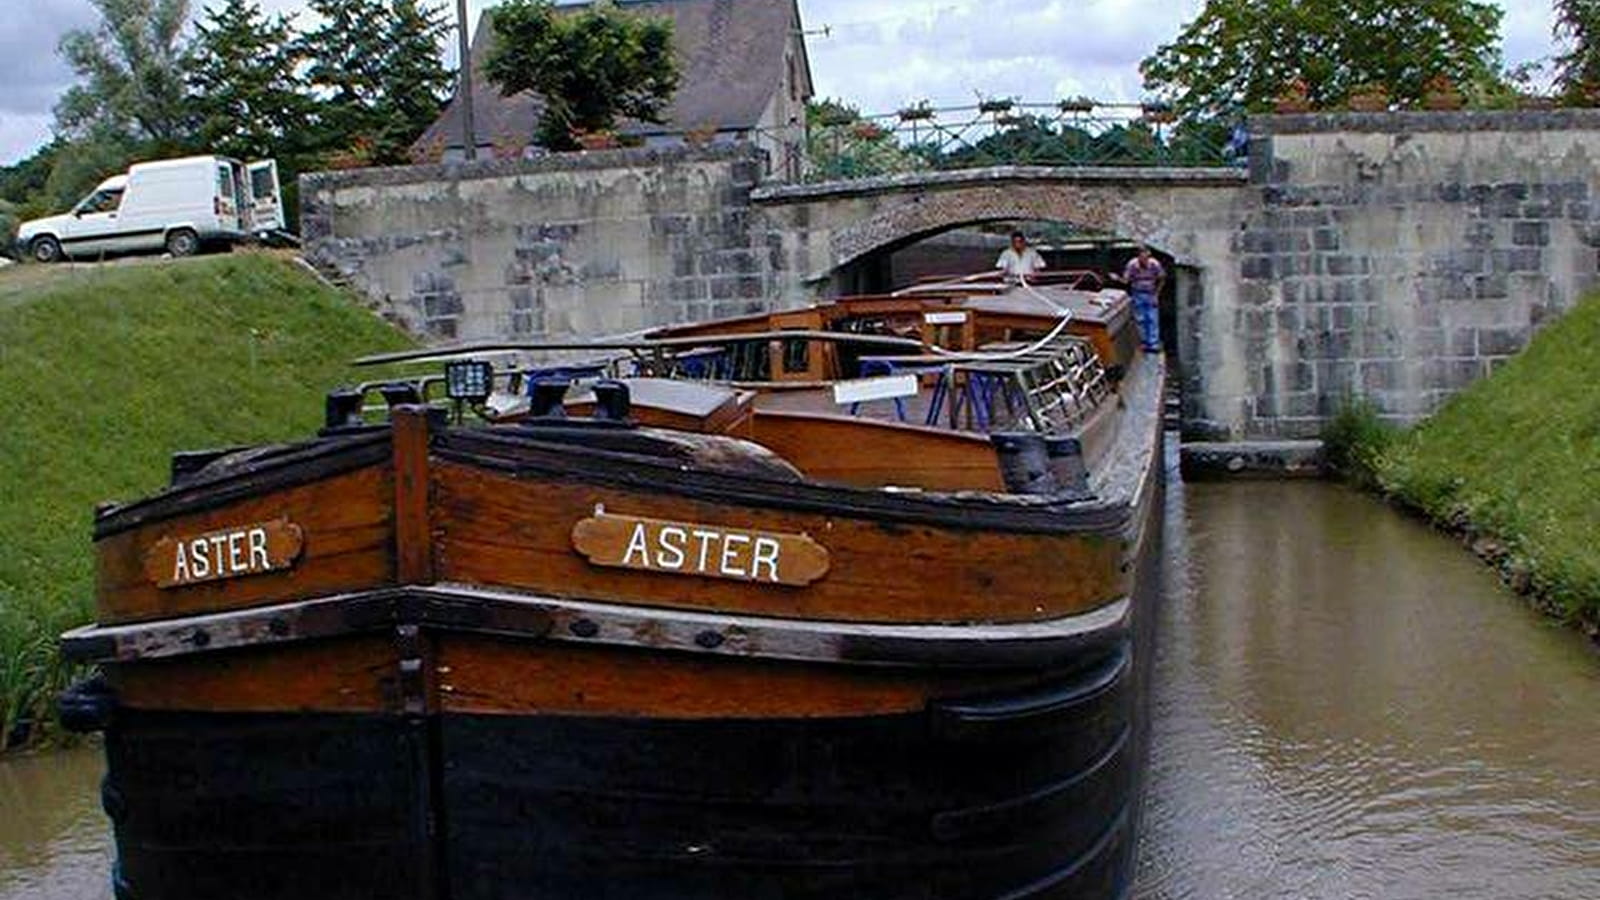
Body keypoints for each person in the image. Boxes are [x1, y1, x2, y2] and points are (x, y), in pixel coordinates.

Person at [1123, 245, 1165, 352]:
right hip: (1137, 293)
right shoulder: (1132, 265)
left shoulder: (1154, 264)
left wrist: (1156, 294)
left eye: (1146, 255)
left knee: (1152, 318)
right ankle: (1143, 342)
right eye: (1142, 256)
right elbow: (1126, 280)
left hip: (1151, 293)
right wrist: (1117, 279)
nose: (1144, 258)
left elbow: (1162, 278)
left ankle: (1153, 343)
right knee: (1140, 319)